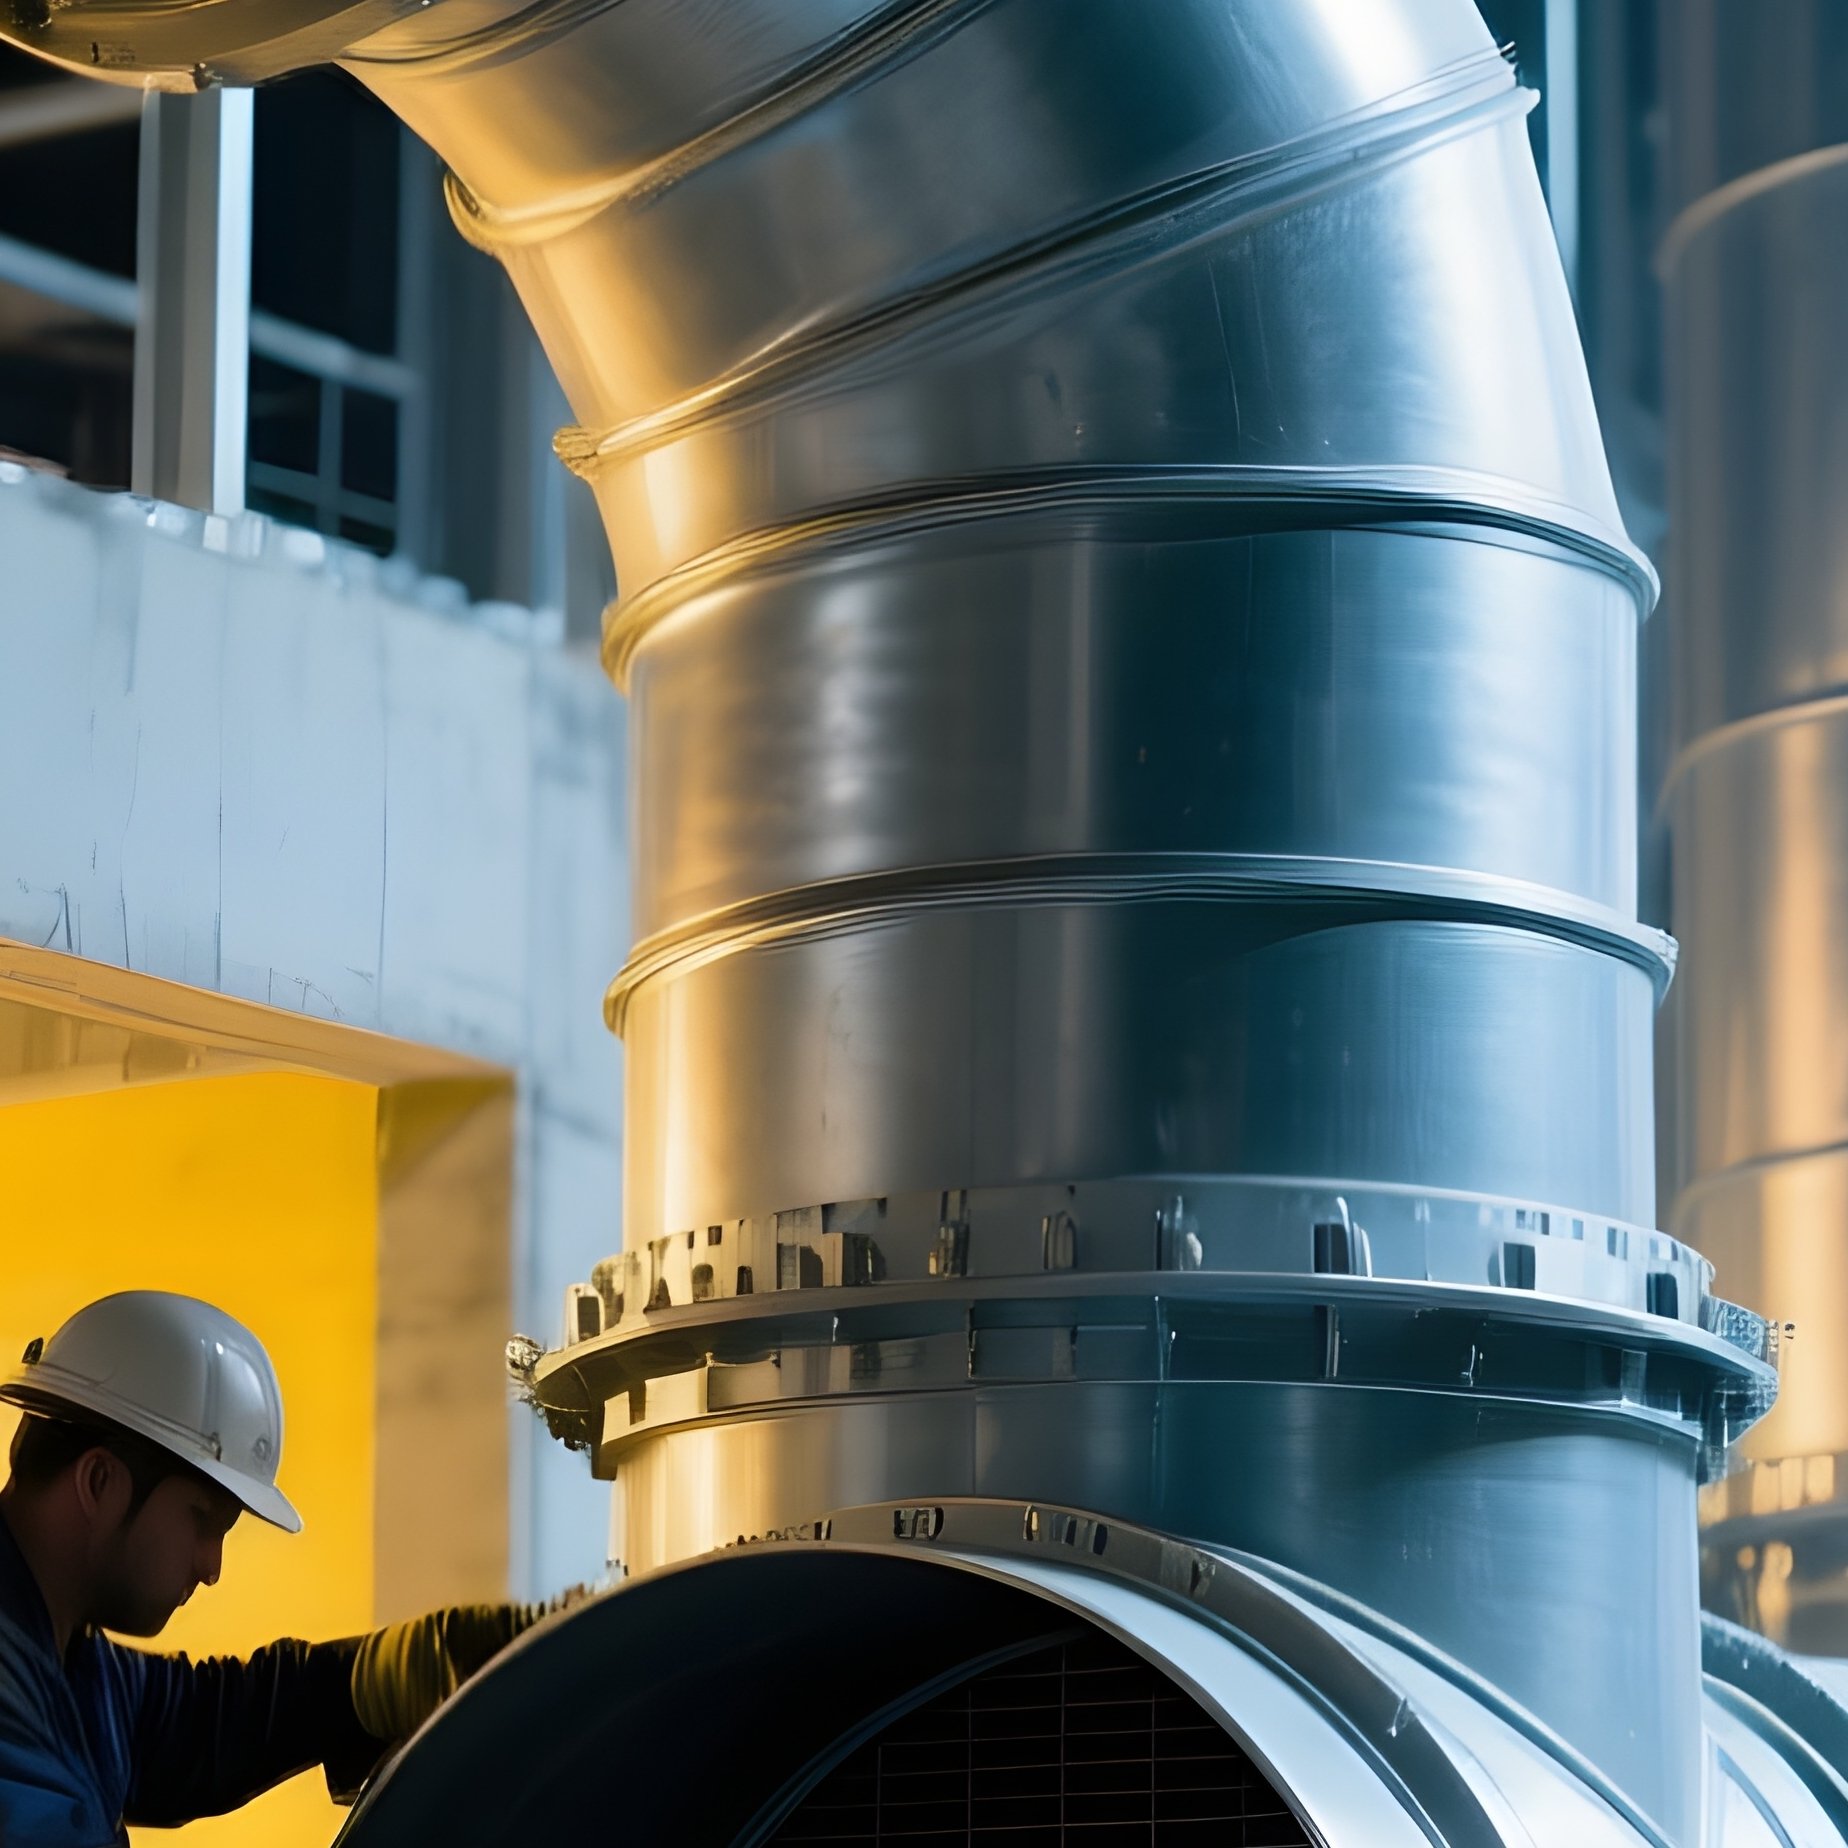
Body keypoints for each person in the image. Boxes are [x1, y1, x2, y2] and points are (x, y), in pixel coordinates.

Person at [0, 1291, 555, 1844]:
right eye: (202, 1520)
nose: (211, 1567)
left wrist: (365, 1681)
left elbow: (185, 1730)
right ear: (100, 1482)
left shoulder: (62, 1654)